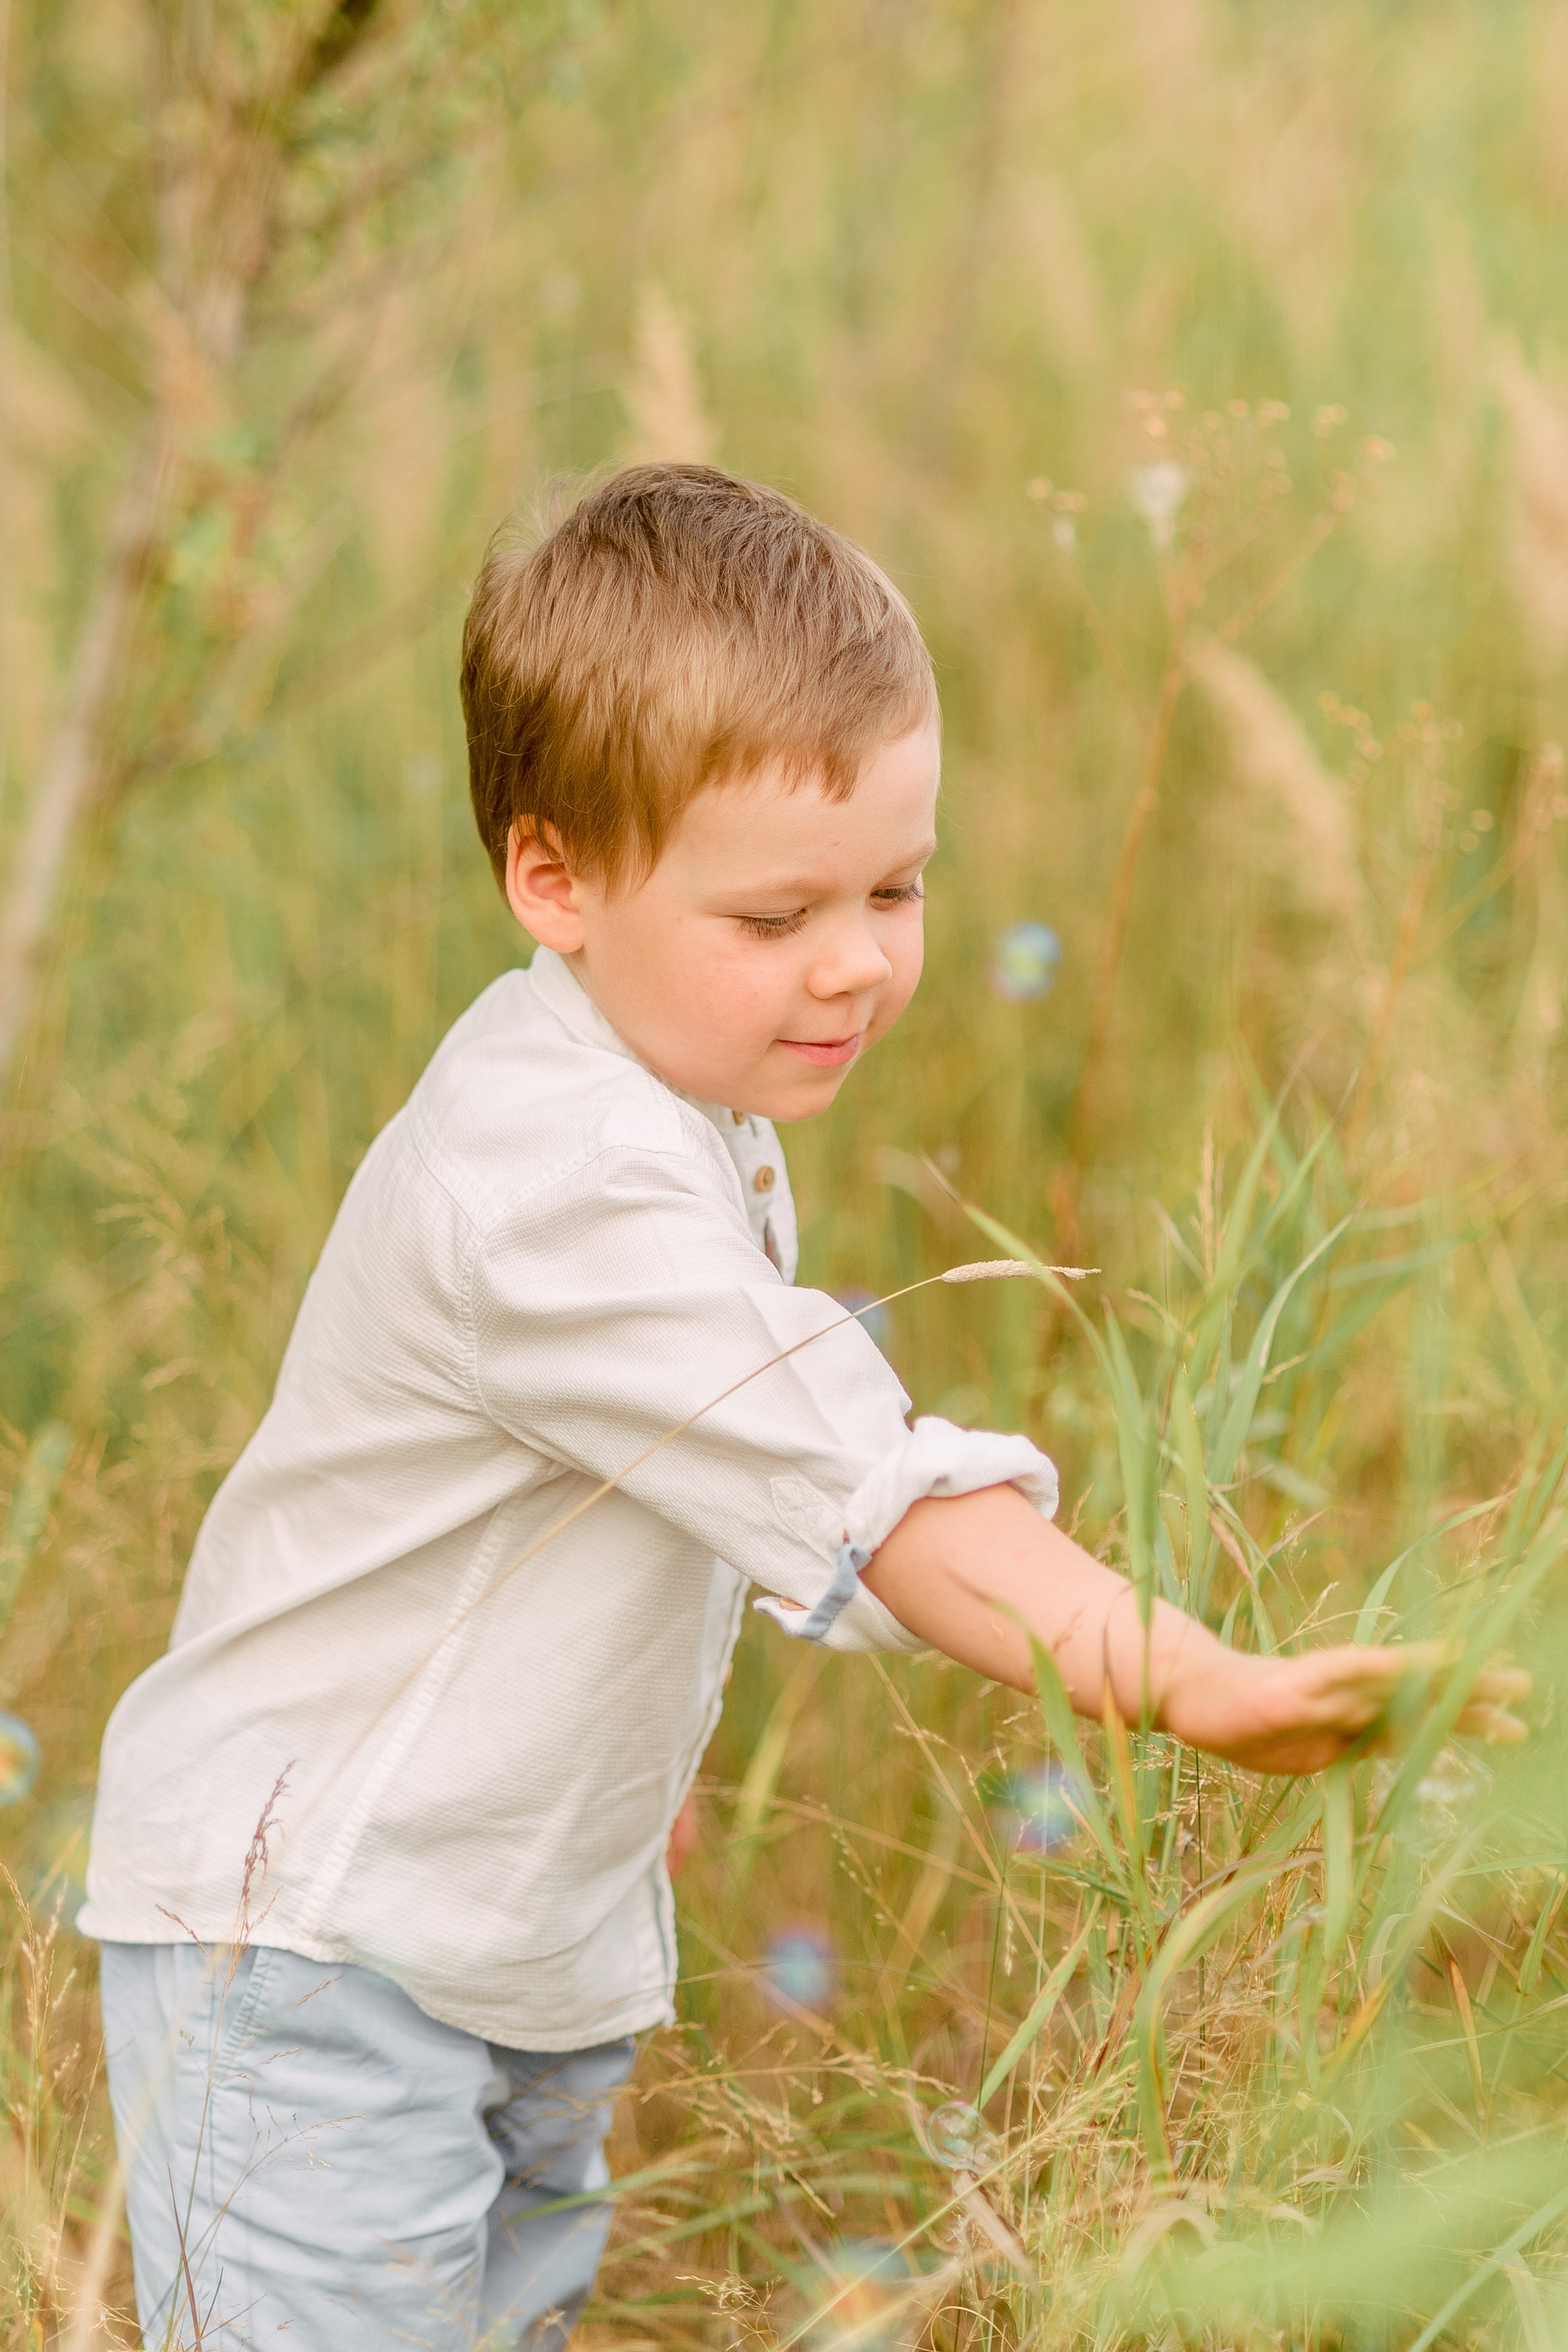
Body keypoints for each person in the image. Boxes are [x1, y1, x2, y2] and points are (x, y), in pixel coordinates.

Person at [80, 465, 1524, 2350]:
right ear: (556, 874)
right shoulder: (563, 1182)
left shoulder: (675, 1091)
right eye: (777, 914)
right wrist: (1201, 1680)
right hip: (312, 1950)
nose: (855, 961)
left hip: (501, 1938)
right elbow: (879, 1494)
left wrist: (614, 1772)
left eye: (897, 889)